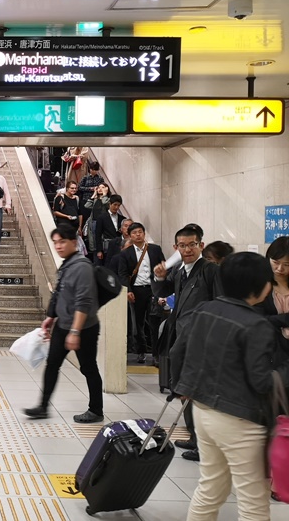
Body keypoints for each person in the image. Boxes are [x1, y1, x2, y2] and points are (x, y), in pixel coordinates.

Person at [170, 252, 283, 521]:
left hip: (203, 412)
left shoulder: (202, 310)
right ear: (262, 286)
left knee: (211, 488)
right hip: (241, 420)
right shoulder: (257, 325)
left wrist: (183, 386)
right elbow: (261, 381)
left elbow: (177, 352)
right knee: (253, 501)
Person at [153, 223, 222, 462]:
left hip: (201, 339)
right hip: (182, 336)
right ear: (175, 247)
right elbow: (164, 291)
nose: (187, 249)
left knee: (197, 392)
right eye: (182, 245)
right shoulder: (181, 271)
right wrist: (159, 277)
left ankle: (204, 444)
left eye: (192, 244)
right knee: (185, 389)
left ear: (201, 245)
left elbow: (220, 303)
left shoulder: (210, 270)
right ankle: (194, 436)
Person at [24, 224, 104, 424]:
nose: (58, 246)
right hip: (63, 324)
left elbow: (84, 302)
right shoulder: (67, 264)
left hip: (84, 328)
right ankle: (43, 407)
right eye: (55, 242)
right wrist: (51, 317)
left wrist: (75, 332)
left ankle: (96, 410)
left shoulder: (82, 267)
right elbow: (60, 293)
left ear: (73, 242)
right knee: (52, 364)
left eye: (62, 242)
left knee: (88, 368)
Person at [117, 222, 166, 364]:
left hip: (154, 290)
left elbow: (164, 267)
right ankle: (141, 351)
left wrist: (162, 289)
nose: (138, 234)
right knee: (137, 323)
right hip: (136, 291)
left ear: (144, 234)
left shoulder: (155, 249)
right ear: (129, 236)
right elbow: (123, 274)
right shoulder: (126, 253)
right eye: (134, 233)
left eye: (140, 232)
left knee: (154, 322)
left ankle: (156, 355)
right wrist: (128, 291)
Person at [94, 194, 126, 266]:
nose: (116, 207)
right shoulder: (101, 217)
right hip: (107, 246)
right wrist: (99, 250)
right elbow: (97, 234)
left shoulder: (122, 218)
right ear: (110, 204)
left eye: (118, 205)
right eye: (115, 205)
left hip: (119, 245)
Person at [82, 182, 110, 255]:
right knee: (93, 242)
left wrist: (104, 195)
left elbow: (106, 204)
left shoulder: (108, 199)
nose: (100, 189)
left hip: (103, 224)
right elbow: (87, 206)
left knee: (101, 241)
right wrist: (94, 194)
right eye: (99, 187)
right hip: (93, 222)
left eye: (103, 187)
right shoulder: (95, 199)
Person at [77, 163, 105, 227]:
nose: (94, 171)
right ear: (90, 169)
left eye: (96, 170)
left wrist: (97, 189)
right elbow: (80, 187)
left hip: (95, 199)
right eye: (92, 169)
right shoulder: (85, 177)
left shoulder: (100, 178)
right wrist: (90, 189)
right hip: (85, 199)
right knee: (84, 215)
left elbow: (103, 187)